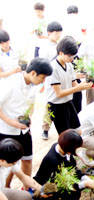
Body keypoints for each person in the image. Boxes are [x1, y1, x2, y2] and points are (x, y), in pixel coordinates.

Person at [0, 58, 53, 187]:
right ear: (33, 73)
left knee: (27, 159)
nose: (43, 81)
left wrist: (29, 117)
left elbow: (31, 104)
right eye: (43, 77)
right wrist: (11, 122)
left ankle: (27, 188)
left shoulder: (34, 85)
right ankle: (6, 188)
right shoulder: (10, 83)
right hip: (7, 130)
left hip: (23, 129)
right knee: (10, 163)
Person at [44, 36, 93, 135]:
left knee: (78, 131)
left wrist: (85, 85)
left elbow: (74, 83)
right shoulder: (53, 68)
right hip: (56, 105)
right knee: (66, 136)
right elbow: (59, 93)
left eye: (73, 56)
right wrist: (78, 87)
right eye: (70, 56)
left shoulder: (69, 65)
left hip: (68, 102)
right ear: (61, 53)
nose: (72, 59)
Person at [34, 130, 94, 200]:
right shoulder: (52, 160)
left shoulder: (62, 147)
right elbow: (63, 185)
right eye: (75, 148)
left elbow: (73, 168)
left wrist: (84, 178)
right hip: (49, 189)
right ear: (69, 148)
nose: (75, 150)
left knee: (75, 193)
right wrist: (85, 184)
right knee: (71, 194)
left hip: (59, 183)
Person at [39, 21, 63, 140]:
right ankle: (45, 129)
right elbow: (43, 64)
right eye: (56, 33)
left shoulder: (59, 44)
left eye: (59, 33)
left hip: (60, 78)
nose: (58, 35)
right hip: (49, 79)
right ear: (49, 33)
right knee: (50, 106)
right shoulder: (44, 48)